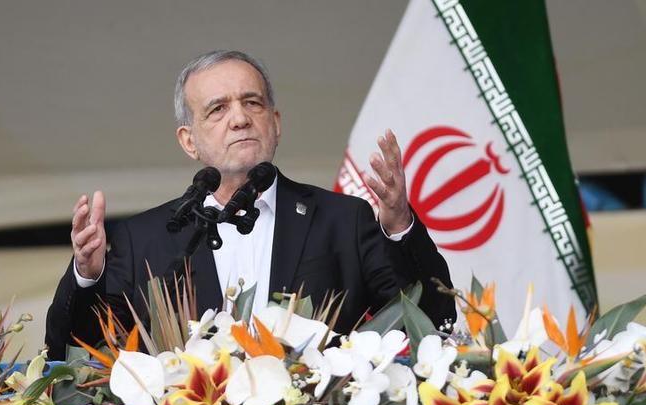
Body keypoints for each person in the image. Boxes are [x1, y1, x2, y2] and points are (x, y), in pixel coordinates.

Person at [45, 50, 455, 360]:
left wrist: (400, 227)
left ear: (275, 123)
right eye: (218, 109)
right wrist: (87, 276)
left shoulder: (343, 220)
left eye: (252, 103)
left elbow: (432, 326)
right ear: (189, 141)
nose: (240, 119)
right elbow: (72, 352)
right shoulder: (144, 239)